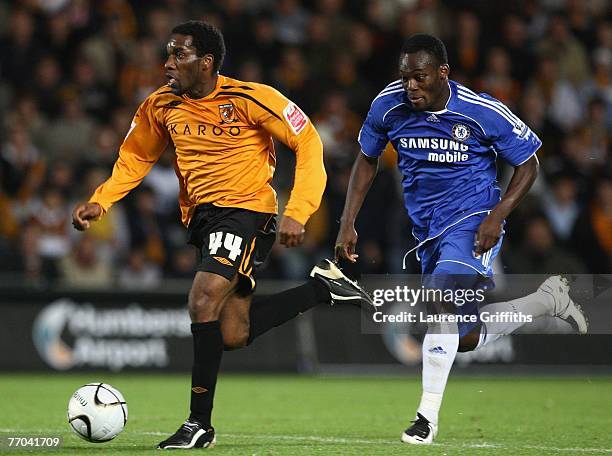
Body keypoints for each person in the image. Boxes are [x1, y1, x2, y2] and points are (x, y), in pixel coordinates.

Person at [72, 21, 372, 450]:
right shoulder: (160, 105)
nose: (167, 63)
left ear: (206, 62)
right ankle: (324, 289)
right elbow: (135, 156)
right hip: (203, 220)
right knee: (231, 333)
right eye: (168, 53)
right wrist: (101, 201)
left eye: (179, 55)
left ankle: (199, 424)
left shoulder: (251, 98)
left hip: (247, 212)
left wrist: (299, 210)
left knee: (202, 297)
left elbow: (308, 141)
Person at [334, 34, 587, 445]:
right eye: (405, 78)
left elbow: (529, 163)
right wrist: (348, 221)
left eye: (420, 77)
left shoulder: (481, 110)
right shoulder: (388, 105)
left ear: (442, 73)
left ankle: (425, 419)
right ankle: (547, 300)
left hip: (472, 221)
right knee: (463, 336)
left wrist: (497, 216)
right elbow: (367, 159)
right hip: (425, 231)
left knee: (441, 297)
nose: (411, 86)